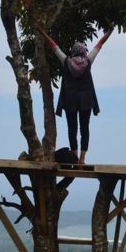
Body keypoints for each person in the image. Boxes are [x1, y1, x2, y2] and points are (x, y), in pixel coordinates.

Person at [36, 25, 110, 164]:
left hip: (70, 99)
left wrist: (41, 31)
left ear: (73, 52)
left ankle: (74, 157)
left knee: (72, 129)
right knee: (84, 128)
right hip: (86, 100)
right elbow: (100, 44)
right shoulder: (88, 60)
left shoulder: (66, 61)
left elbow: (54, 46)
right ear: (83, 52)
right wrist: (110, 31)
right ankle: (82, 159)